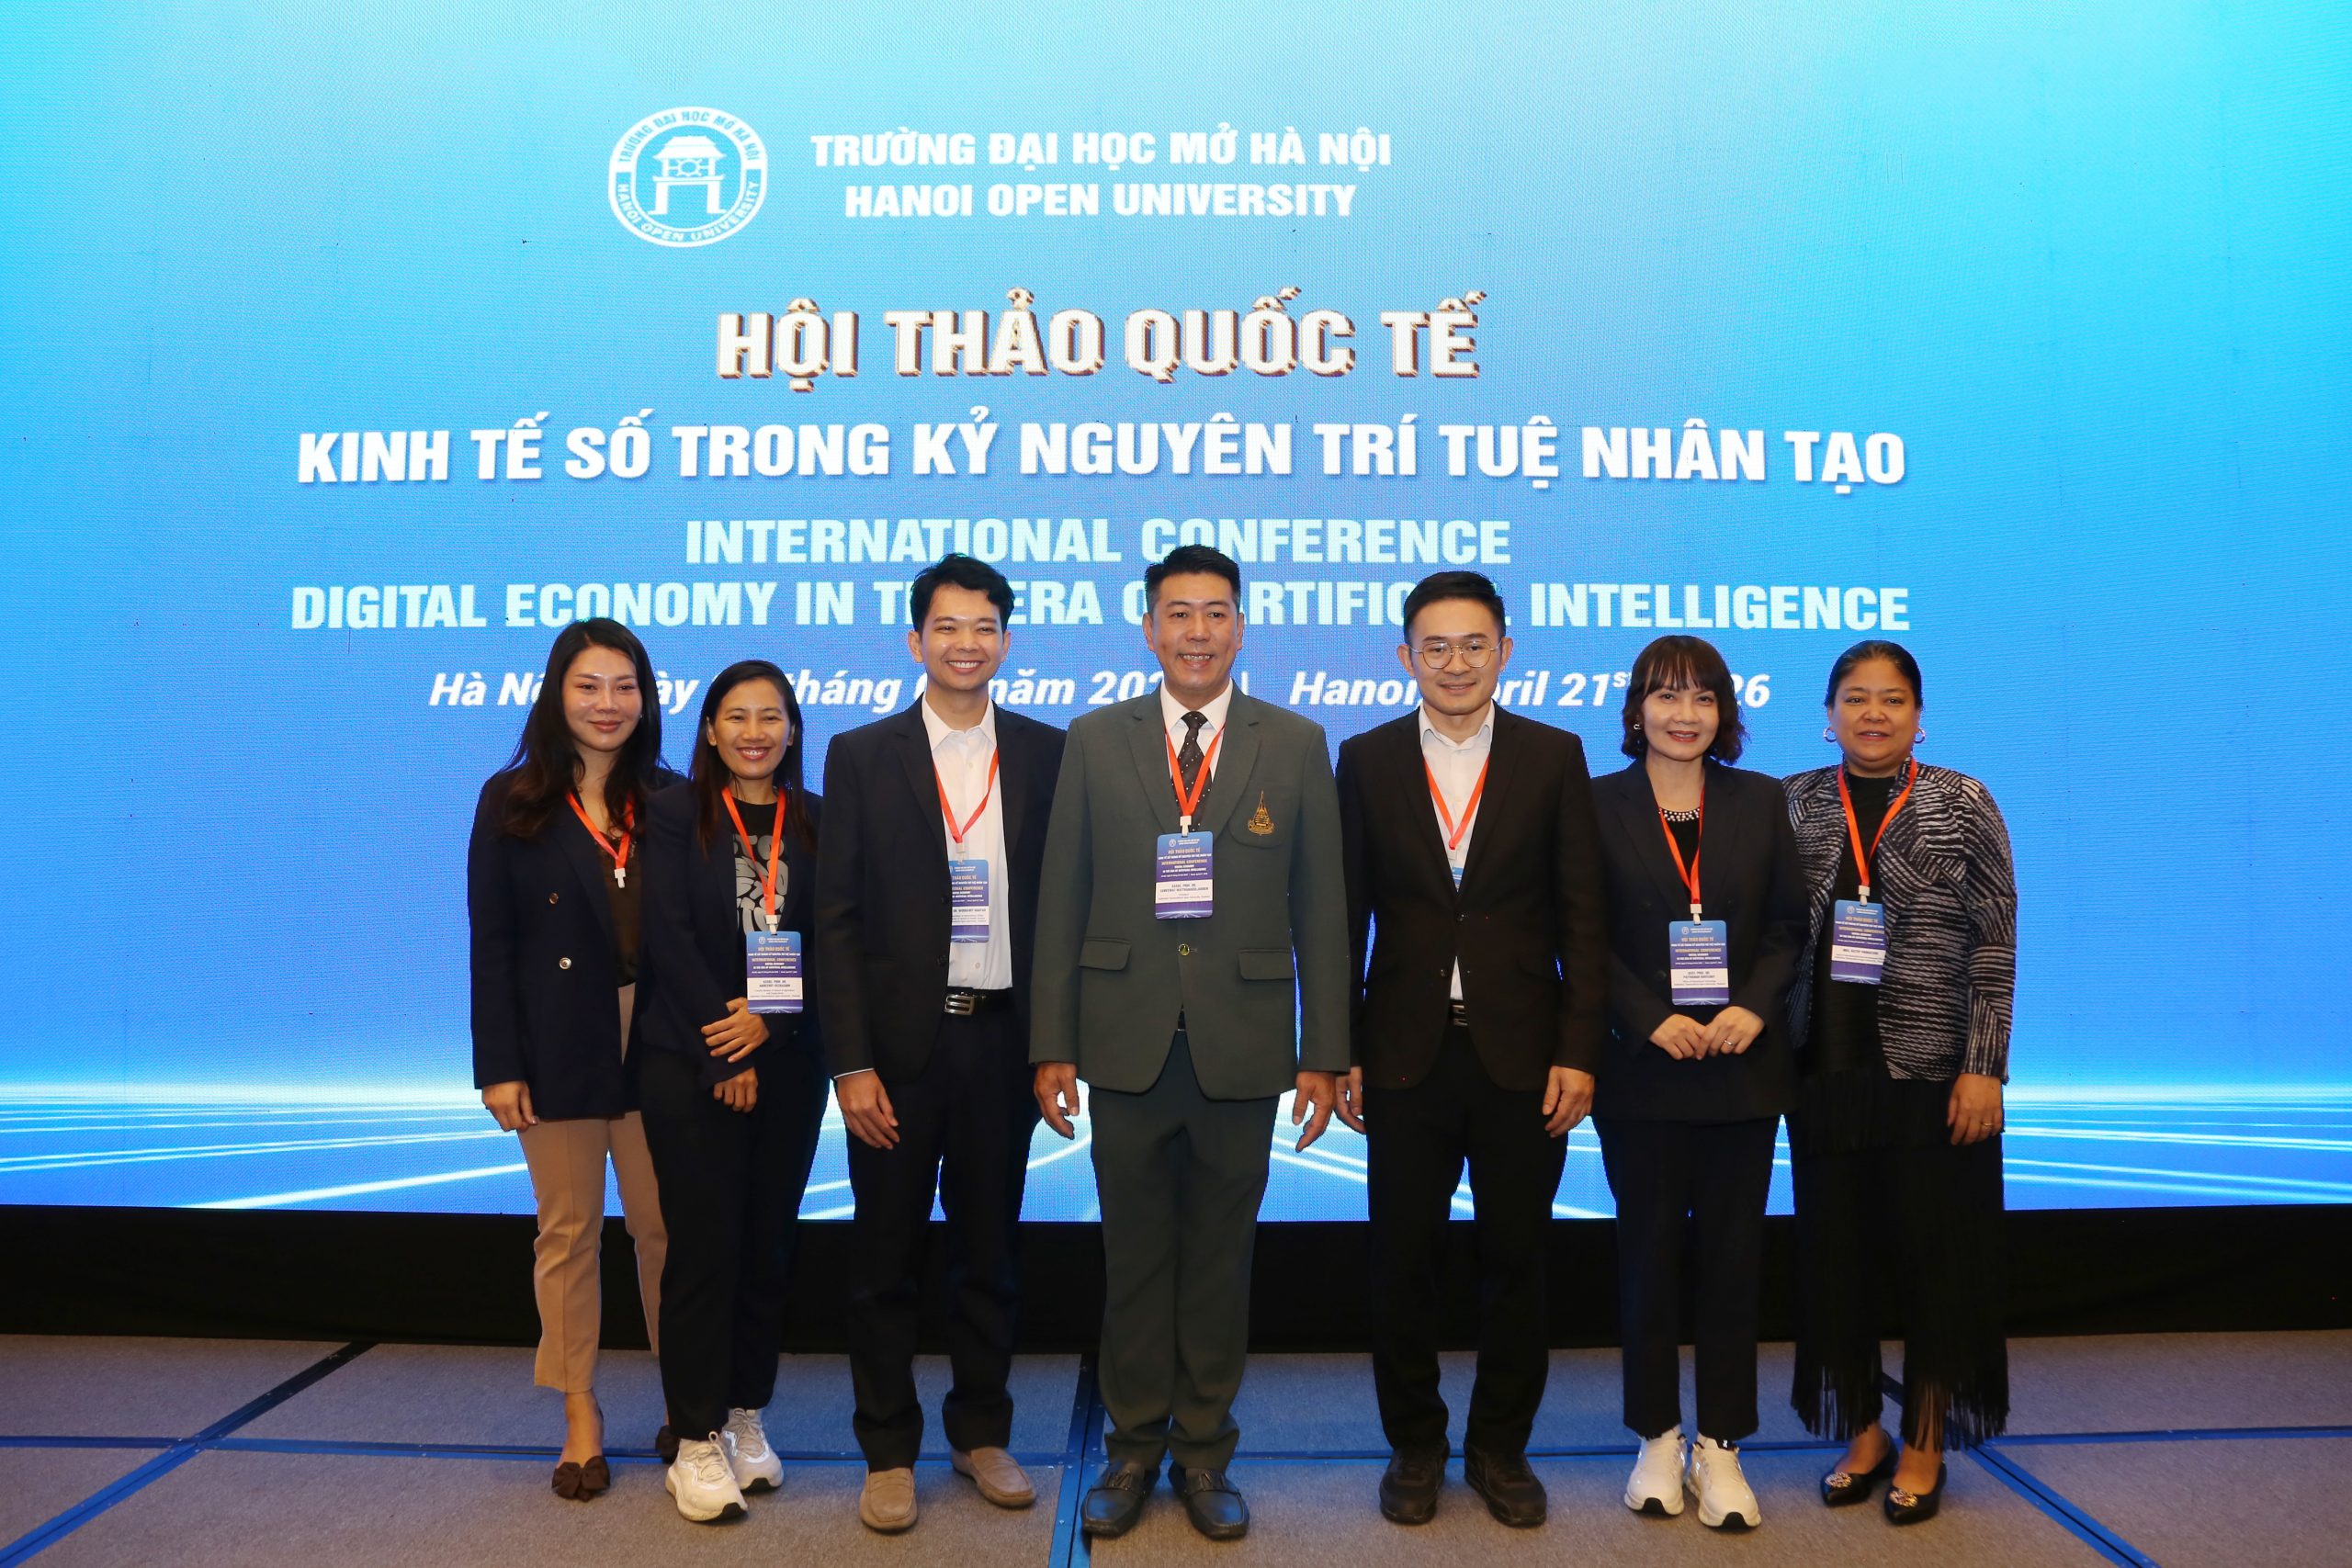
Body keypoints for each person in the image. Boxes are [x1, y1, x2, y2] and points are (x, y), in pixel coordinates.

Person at [1031, 544, 1350, 1542]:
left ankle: (1205, 1450)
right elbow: (1062, 895)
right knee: (1133, 1261)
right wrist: (1051, 1043)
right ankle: (1130, 1449)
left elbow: (1323, 909)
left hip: (1243, 1047)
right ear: (1148, 628)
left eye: (1216, 613)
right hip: (1122, 1041)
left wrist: (1323, 1050)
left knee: (1219, 1262)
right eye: (1179, 613)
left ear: (1240, 627)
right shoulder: (1096, 738)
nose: (1197, 632)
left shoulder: (1294, 741)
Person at [1335, 570, 1609, 1529]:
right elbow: (1344, 917)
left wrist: (1581, 1050)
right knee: (1400, 1262)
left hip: (1525, 1057)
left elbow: (1583, 916)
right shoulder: (1366, 758)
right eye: (1436, 647)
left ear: (1505, 651)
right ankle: (1414, 1444)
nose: (1456, 663)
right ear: (1406, 657)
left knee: (1517, 1260)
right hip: (1403, 1055)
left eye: (1474, 644)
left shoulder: (1553, 755)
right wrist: (1339, 1047)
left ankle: (1499, 1446)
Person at [814, 556, 1067, 1533]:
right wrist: (849, 1062)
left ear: (1006, 640)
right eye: (948, 627)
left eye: (984, 626)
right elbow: (835, 920)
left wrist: (1057, 1043)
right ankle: (887, 1449)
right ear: (915, 640)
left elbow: (1066, 910)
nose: (967, 643)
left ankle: (980, 1432)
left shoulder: (1047, 752)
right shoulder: (861, 755)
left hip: (1002, 1041)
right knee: (884, 1260)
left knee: (989, 1254)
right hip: (895, 1055)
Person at [1785, 640, 2016, 1526]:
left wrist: (1983, 1067)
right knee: (1835, 1263)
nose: (1872, 713)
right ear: (1829, 713)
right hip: (1824, 1075)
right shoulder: (1795, 801)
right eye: (1855, 697)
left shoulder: (1963, 802)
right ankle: (1862, 1434)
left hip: (1934, 1075)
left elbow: (1995, 941)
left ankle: (1923, 1443)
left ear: (1919, 716)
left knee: (1938, 1266)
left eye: (1891, 699)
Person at [1590, 635, 1806, 1529]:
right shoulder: (1593, 803)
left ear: (1724, 712)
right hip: (1640, 1069)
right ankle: (1655, 1436)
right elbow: (1577, 933)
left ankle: (1721, 1445)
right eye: (1666, 695)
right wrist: (1646, 1015)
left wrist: (1753, 1007)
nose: (1684, 714)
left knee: (1731, 1261)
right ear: (1636, 708)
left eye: (1703, 697)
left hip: (1739, 1069)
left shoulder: (1760, 800)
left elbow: (1790, 926)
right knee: (1645, 1260)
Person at [468, 618, 673, 1500]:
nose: (608, 704)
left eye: (625, 686)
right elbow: (491, 943)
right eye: (589, 686)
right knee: (569, 1230)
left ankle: (688, 1397)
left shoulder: (672, 797)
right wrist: (498, 1064)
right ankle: (580, 1411)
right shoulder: (511, 799)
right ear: (557, 694)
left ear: (647, 699)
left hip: (662, 1039)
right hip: (556, 1039)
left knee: (669, 1230)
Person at [635, 661, 829, 1523]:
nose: (755, 732)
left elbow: (836, 939)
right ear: (710, 729)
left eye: (771, 716)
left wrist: (771, 1026)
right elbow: (667, 937)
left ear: (792, 729)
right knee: (705, 1250)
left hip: (789, 1064)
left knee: (766, 1247)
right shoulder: (674, 812)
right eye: (737, 716)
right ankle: (693, 1437)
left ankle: (746, 1410)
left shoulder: (817, 819)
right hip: (690, 1061)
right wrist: (726, 1047)